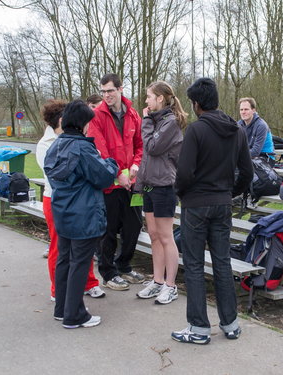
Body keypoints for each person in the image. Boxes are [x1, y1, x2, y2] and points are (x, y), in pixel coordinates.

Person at [172, 78, 253, 344]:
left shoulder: (196, 130)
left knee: (194, 265)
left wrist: (182, 193)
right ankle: (230, 324)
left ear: (196, 104)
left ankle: (199, 329)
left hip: (196, 204)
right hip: (222, 203)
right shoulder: (237, 130)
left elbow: (184, 172)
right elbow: (248, 172)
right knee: (222, 262)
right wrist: (230, 193)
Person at [44, 99, 118, 328]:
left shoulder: (56, 145)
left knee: (65, 260)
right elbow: (103, 176)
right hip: (84, 213)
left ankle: (62, 309)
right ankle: (75, 315)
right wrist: (112, 163)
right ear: (82, 123)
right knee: (79, 263)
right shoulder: (82, 147)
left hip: (63, 211)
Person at [36, 99, 105, 301]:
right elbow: (58, 175)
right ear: (61, 119)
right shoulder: (47, 144)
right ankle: (58, 291)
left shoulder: (74, 140)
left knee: (83, 247)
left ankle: (88, 283)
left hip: (77, 200)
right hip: (57, 200)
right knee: (60, 248)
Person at [87, 73, 145, 291]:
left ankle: (124, 265)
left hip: (132, 184)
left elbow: (140, 145)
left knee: (134, 226)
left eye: (110, 90)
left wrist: (136, 167)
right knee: (108, 230)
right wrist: (117, 173)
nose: (106, 95)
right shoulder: (97, 116)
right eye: (103, 91)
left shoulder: (132, 114)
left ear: (121, 89)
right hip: (110, 184)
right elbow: (99, 150)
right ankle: (108, 272)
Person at [135, 81, 186, 304]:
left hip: (164, 185)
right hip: (149, 184)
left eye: (149, 96)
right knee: (154, 235)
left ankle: (170, 285)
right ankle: (157, 281)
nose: (146, 101)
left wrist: (145, 120)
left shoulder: (170, 122)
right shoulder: (156, 121)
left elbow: (153, 147)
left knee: (166, 237)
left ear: (160, 98)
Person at [237, 97, 275, 166]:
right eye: (241, 110)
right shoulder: (238, 125)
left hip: (266, 158)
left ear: (253, 110)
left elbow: (255, 151)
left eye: (246, 109)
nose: (243, 112)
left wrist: (237, 155)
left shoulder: (261, 125)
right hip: (249, 157)